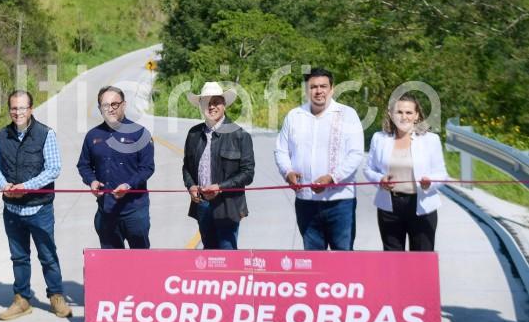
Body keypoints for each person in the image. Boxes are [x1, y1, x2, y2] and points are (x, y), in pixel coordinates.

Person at [0, 90, 71, 320]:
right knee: (19, 257)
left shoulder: (46, 134)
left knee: (47, 255)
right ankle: (22, 299)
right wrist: (4, 185)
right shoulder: (2, 135)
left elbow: (53, 168)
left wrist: (27, 186)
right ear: (10, 110)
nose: (18, 112)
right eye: (14, 108)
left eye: (22, 108)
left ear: (31, 109)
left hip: (39, 208)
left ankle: (56, 297)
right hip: (12, 210)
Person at [274, 68, 364, 251]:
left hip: (340, 202)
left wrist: (333, 177)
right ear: (307, 90)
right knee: (312, 262)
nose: (318, 91)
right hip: (306, 202)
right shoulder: (294, 116)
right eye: (313, 86)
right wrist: (287, 172)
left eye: (323, 86)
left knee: (344, 257)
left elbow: (355, 154)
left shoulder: (347, 115)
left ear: (332, 89)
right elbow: (281, 150)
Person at [364, 93, 448, 251]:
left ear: (416, 115)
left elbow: (441, 174)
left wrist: (428, 183)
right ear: (391, 114)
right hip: (389, 207)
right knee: (393, 261)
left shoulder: (431, 140)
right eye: (399, 112)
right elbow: (369, 169)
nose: (404, 117)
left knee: (422, 259)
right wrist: (380, 179)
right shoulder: (379, 138)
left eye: (409, 112)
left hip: (422, 205)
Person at [77, 86, 155, 248]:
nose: (110, 109)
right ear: (100, 109)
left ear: (124, 105)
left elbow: (147, 168)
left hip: (135, 211)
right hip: (106, 211)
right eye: (105, 105)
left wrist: (128, 185)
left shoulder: (140, 133)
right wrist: (91, 181)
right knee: (111, 264)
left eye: (114, 104)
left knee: (141, 261)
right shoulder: (93, 136)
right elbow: (83, 165)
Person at [182, 82, 255, 250]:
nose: (212, 106)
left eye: (216, 102)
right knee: (208, 253)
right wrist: (191, 185)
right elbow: (186, 166)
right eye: (207, 102)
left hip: (228, 205)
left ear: (224, 105)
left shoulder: (239, 135)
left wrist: (220, 187)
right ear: (200, 105)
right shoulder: (193, 134)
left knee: (227, 254)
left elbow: (248, 173)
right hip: (202, 204)